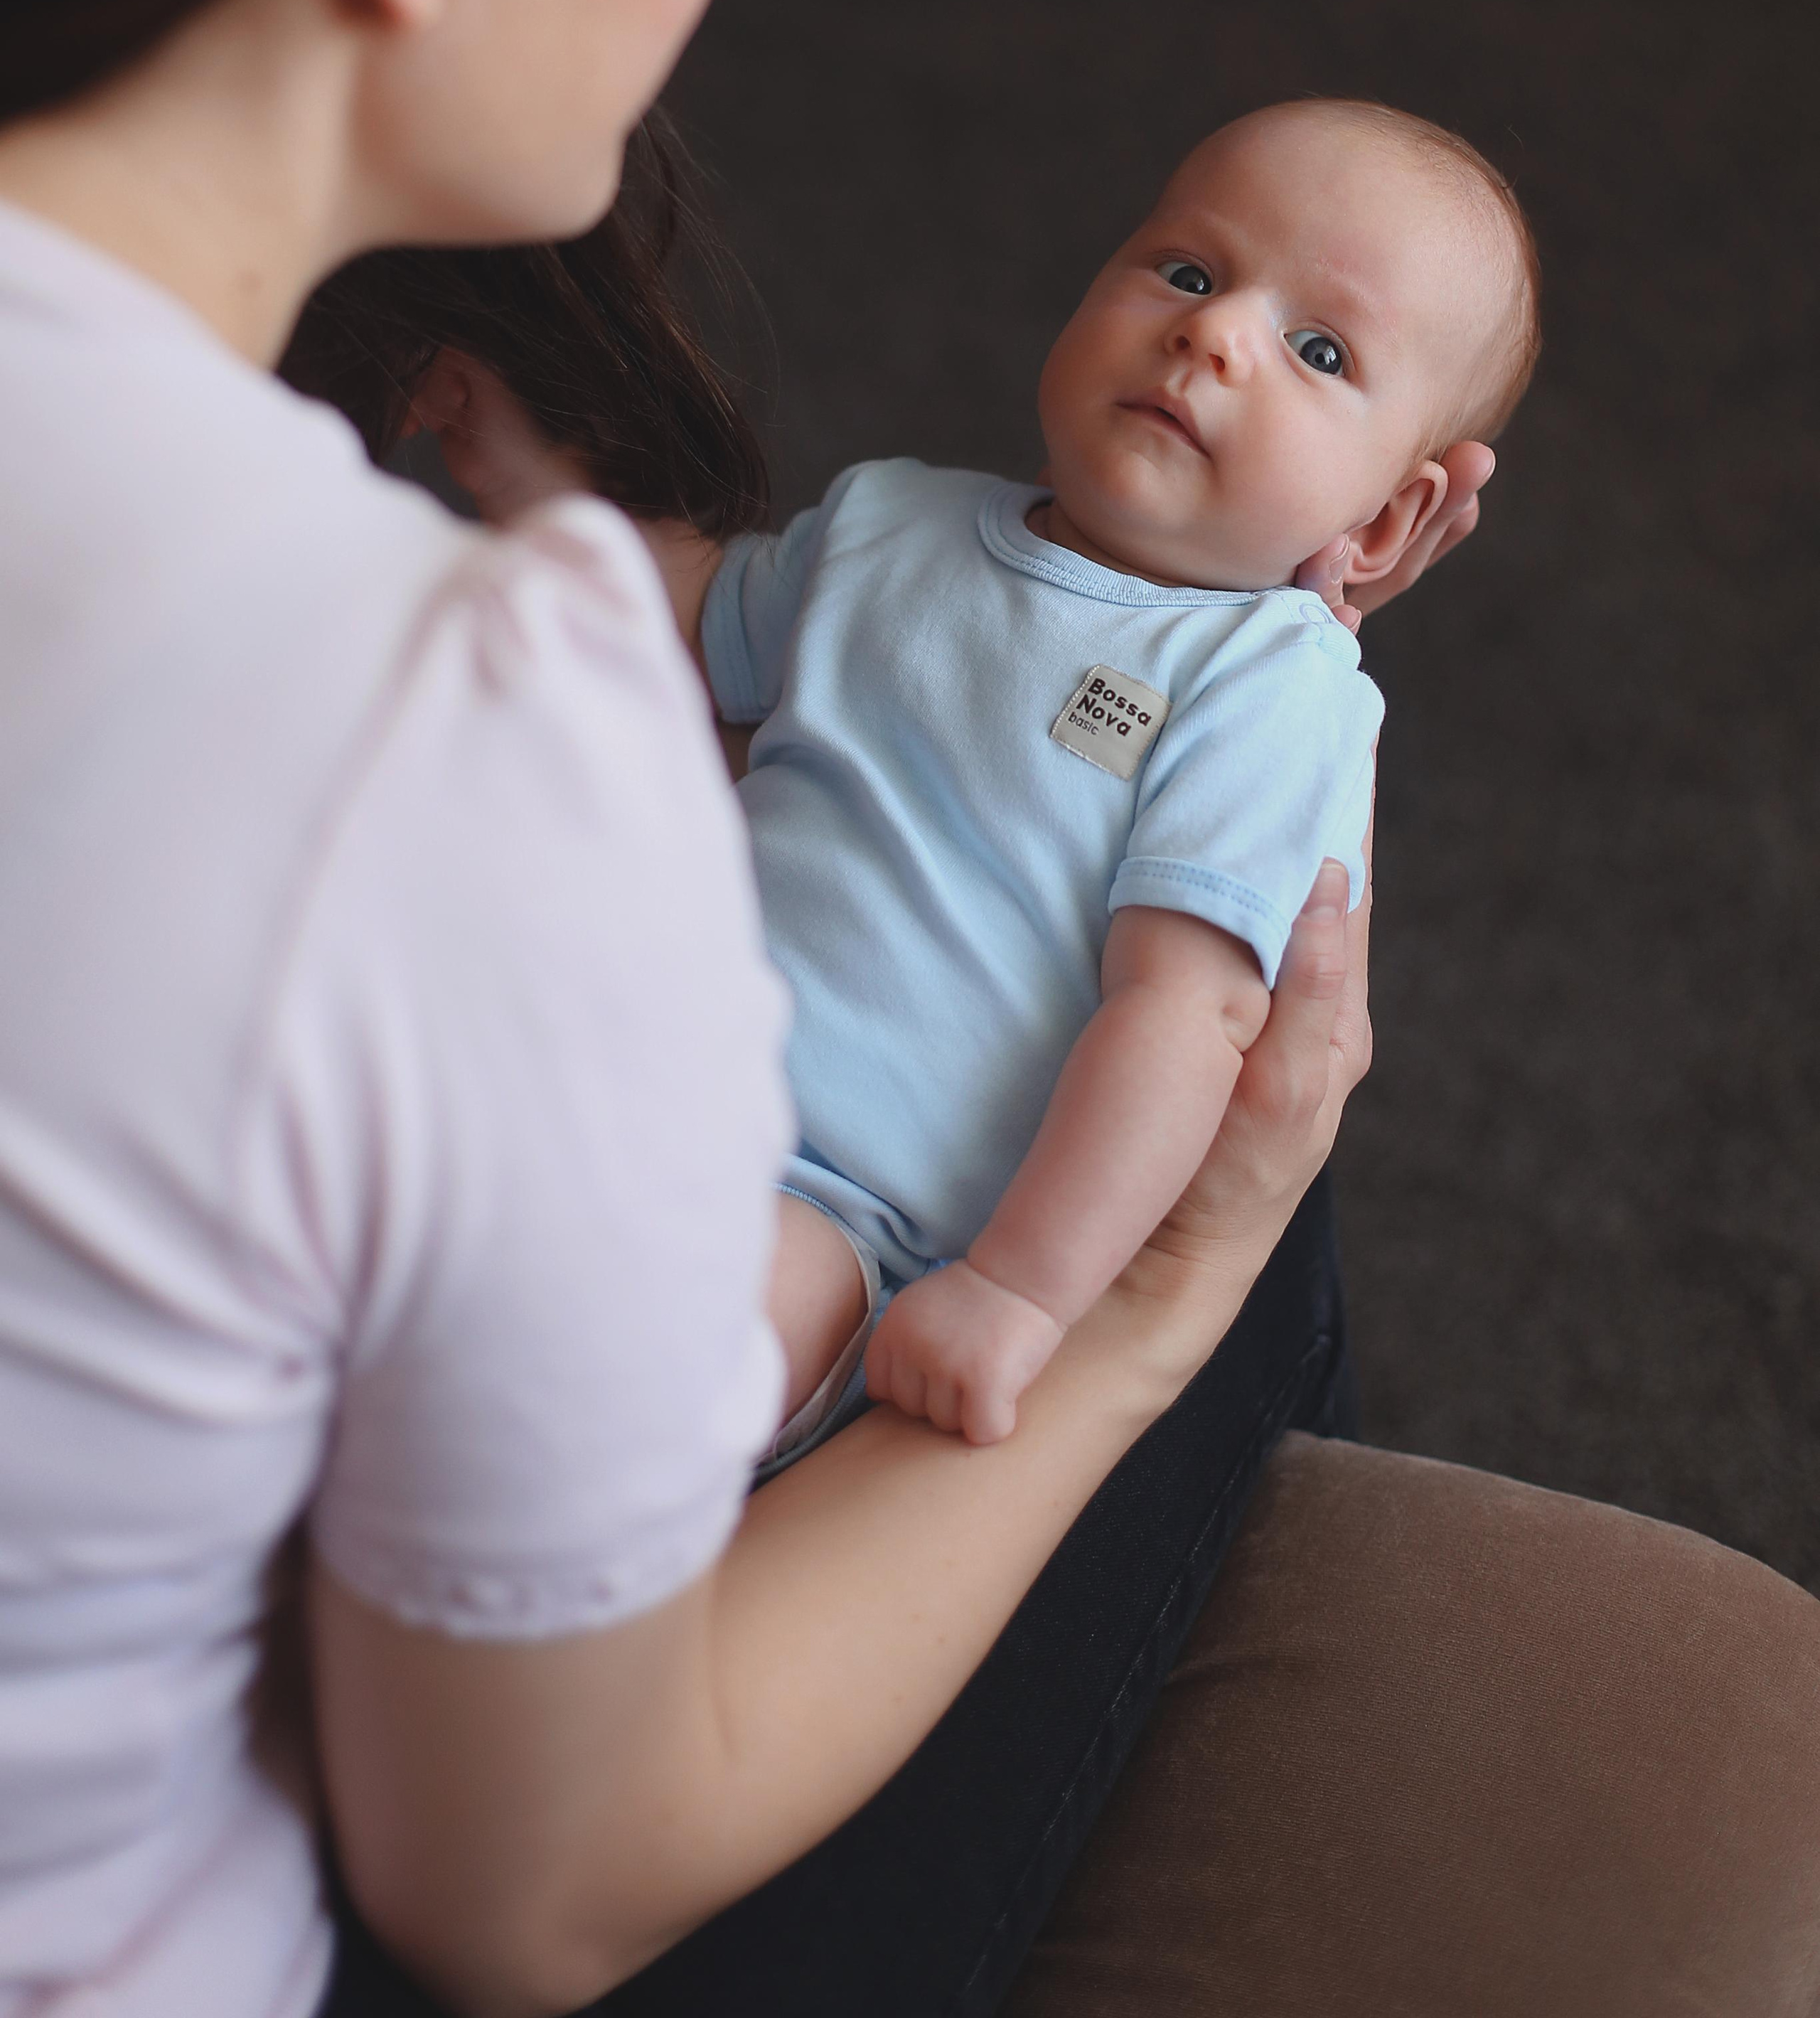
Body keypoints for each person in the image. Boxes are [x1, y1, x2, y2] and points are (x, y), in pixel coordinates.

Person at [3, 0, 1817, 2018]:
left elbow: (1138, 968)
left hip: (831, 1193)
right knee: (1259, 1287)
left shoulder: (1244, 704)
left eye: (1319, 348)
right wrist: (1148, 1314)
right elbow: (523, 1888)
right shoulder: (493, 736)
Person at [367, 99, 1537, 1465]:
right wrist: (519, 454)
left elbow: (1187, 1016)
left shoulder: (1271, 691)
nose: (1214, 334)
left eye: (1319, 350)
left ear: (1392, 517)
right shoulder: (887, 522)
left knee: (636, 1365)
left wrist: (1021, 1290)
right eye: (1188, 270)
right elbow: (680, 617)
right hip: (603, 1038)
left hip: (834, 1198)